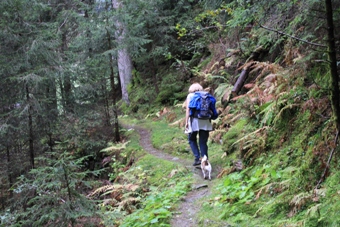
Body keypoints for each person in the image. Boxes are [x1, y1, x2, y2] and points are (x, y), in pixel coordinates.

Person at [185, 83, 213, 166]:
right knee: (203, 141)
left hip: (195, 121)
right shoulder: (206, 95)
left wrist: (186, 122)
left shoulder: (190, 96)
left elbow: (188, 110)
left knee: (191, 139)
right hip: (206, 121)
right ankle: (205, 159)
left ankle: (197, 158)